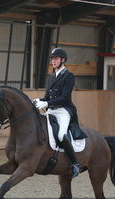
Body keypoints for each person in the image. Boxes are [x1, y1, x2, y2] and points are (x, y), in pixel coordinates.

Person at [33, 48, 84, 179]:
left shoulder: (68, 76)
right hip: (51, 110)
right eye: (52, 59)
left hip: (63, 110)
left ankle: (75, 164)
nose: (53, 61)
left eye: (55, 58)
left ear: (63, 60)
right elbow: (47, 97)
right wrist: (40, 100)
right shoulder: (51, 77)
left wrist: (46, 104)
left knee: (61, 135)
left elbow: (65, 98)